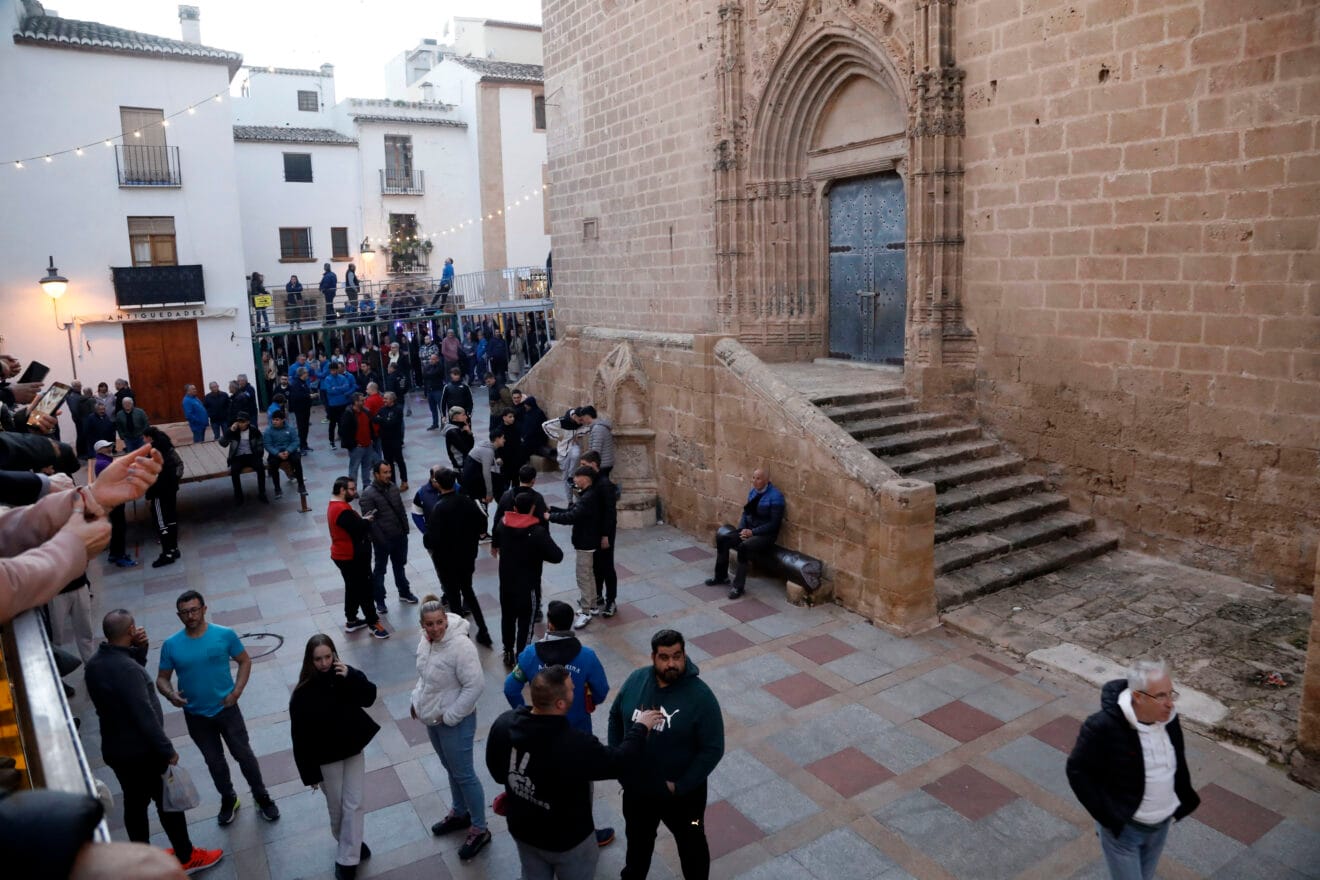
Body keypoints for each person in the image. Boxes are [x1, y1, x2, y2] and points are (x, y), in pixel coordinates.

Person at [85, 609, 224, 874]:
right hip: (143, 752)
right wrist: (166, 749)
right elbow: (143, 713)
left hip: (116, 750)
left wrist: (140, 650)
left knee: (134, 805)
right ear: (130, 630)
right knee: (168, 803)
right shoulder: (127, 670)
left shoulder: (95, 664)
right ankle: (186, 856)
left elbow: (123, 679)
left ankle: (140, 862)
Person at [487, 667, 661, 880]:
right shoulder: (575, 744)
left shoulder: (504, 724)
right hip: (568, 840)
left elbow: (497, 773)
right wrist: (641, 727)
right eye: (571, 688)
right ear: (560, 703)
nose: (576, 689)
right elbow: (618, 761)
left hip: (523, 830)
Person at [1067, 659, 1200, 880]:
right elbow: (1077, 771)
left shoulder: (1169, 720)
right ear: (1138, 696)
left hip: (1160, 826)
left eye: (1171, 693)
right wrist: (1107, 817)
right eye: (1161, 696)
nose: (1170, 704)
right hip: (1125, 833)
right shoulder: (1102, 726)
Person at [156, 590, 281, 825]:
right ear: (179, 616)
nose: (190, 616)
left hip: (227, 710)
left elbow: (244, 660)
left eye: (194, 610)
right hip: (196, 715)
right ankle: (228, 797)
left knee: (244, 754)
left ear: (204, 609)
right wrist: (171, 694)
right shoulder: (171, 645)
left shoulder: (224, 635)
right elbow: (161, 678)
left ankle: (261, 795)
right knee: (214, 761)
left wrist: (237, 691)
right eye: (184, 612)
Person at [608, 629, 724, 880]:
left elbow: (713, 748)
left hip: (684, 798)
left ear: (684, 655)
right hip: (638, 793)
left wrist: (680, 785)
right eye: (664, 657)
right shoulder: (636, 680)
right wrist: (620, 762)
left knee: (693, 842)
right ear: (653, 657)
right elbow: (615, 716)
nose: (671, 663)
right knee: (637, 847)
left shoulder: (701, 696)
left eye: (677, 656)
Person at [289, 634, 380, 880]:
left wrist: (353, 675)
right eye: (318, 658)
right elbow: (300, 737)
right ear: (310, 660)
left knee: (355, 802)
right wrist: (310, 775)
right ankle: (351, 843)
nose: (324, 663)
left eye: (328, 656)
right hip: (326, 758)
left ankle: (347, 859)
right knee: (338, 809)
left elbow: (369, 697)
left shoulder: (345, 677)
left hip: (352, 749)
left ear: (334, 654)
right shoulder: (302, 693)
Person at [410, 595, 492, 862]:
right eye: (429, 624)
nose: (435, 629)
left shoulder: (461, 646)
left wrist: (452, 716)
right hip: (433, 718)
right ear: (422, 625)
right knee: (451, 769)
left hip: (454, 721)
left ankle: (479, 828)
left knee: (464, 773)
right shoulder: (426, 642)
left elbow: (475, 686)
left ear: (446, 620)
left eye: (439, 623)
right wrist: (416, 701)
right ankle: (459, 813)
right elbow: (424, 677)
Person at [423, 469, 493, 647]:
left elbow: (430, 539)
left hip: (446, 561)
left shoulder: (439, 508)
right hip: (467, 557)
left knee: (454, 600)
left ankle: (462, 637)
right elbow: (482, 524)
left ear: (438, 483)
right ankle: (483, 630)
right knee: (468, 592)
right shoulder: (467, 501)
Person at [493, 492, 563, 667]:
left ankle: (507, 651)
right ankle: (522, 657)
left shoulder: (503, 524)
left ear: (514, 508)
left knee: (507, 618)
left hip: (506, 583)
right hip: (528, 585)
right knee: (526, 621)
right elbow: (557, 556)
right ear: (532, 508)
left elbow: (497, 539)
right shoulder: (537, 531)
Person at [705, 467, 785, 599]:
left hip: (765, 536)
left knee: (744, 548)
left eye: (758, 478)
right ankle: (721, 576)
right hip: (749, 531)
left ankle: (738, 587)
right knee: (723, 539)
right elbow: (746, 513)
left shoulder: (776, 497)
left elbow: (774, 524)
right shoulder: (753, 492)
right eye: (753, 478)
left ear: (766, 480)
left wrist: (752, 532)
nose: (755, 481)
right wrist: (742, 530)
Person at [327, 476, 390, 640]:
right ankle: (373, 623)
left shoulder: (336, 506)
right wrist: (366, 521)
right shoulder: (342, 510)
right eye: (352, 489)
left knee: (352, 586)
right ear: (342, 490)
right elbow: (358, 529)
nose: (355, 493)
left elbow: (352, 525)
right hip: (352, 557)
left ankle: (351, 620)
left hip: (343, 555)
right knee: (364, 589)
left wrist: (362, 520)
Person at [548, 467, 604, 629]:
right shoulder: (589, 494)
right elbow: (573, 511)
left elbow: (571, 517)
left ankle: (586, 611)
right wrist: (553, 510)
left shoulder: (587, 498)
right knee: (589, 574)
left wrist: (549, 516)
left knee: (583, 576)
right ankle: (592, 605)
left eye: (577, 477)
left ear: (585, 479)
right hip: (589, 540)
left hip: (585, 542)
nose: (575, 480)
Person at [359, 460, 419, 614]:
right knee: (380, 570)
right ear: (376, 474)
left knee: (400, 565)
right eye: (385, 472)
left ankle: (404, 591)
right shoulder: (367, 494)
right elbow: (370, 523)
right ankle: (379, 600)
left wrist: (405, 529)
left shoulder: (393, 487)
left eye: (390, 472)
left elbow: (400, 510)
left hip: (399, 536)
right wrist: (381, 540)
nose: (388, 475)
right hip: (383, 541)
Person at [581, 450, 619, 617]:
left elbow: (610, 513)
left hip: (605, 533)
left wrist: (605, 535)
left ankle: (611, 600)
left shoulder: (604, 484)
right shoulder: (592, 482)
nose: (581, 469)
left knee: (607, 566)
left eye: (584, 465)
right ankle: (598, 595)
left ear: (594, 465)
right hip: (593, 531)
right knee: (596, 565)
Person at [141, 427, 183, 568]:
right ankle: (174, 549)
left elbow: (150, 476)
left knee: (161, 522)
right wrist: (175, 480)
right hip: (171, 490)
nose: (143, 440)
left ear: (150, 438)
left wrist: (148, 495)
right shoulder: (168, 449)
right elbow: (179, 464)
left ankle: (167, 554)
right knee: (171, 519)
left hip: (159, 492)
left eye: (144, 437)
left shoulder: (151, 454)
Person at [92, 440, 135, 567]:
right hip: (114, 499)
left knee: (117, 527)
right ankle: (119, 556)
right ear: (100, 450)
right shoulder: (103, 463)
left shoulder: (104, 461)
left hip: (113, 497)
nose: (110, 447)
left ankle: (114, 554)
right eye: (106, 446)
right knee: (119, 527)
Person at [218, 412, 267, 504]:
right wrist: (230, 431)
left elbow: (260, 441)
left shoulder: (253, 430)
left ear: (248, 422)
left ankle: (262, 493)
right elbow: (222, 443)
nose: (240, 424)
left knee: (261, 468)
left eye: (243, 421)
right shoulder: (233, 431)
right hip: (238, 456)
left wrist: (259, 454)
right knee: (234, 471)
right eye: (239, 421)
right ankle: (239, 496)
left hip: (251, 455)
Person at [543, 409, 587, 499]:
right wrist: (557, 437)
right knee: (566, 478)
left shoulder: (580, 422)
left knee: (576, 456)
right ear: (574, 416)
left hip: (574, 448)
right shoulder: (562, 421)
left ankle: (579, 499)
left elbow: (588, 427)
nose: (581, 422)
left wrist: (578, 433)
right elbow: (545, 425)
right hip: (563, 452)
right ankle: (570, 501)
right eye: (580, 420)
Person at [262, 410, 306, 499]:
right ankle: (277, 489)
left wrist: (288, 451)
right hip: (276, 453)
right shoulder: (268, 431)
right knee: (273, 464)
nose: (274, 422)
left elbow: (296, 441)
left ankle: (301, 485)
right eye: (273, 420)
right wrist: (277, 453)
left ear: (283, 420)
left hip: (289, 451)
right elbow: (267, 445)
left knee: (297, 460)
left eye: (277, 420)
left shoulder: (290, 428)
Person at [338, 393, 377, 490]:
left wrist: (372, 439)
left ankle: (366, 485)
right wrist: (353, 444)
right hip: (357, 447)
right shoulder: (348, 414)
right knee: (354, 468)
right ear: (355, 402)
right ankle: (352, 488)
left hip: (368, 444)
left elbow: (370, 426)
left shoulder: (366, 411)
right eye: (362, 400)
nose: (364, 402)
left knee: (366, 467)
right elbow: (343, 431)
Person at [461, 428, 504, 511]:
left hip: (470, 479)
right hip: (473, 483)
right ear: (497, 439)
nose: (504, 440)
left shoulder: (486, 445)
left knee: (498, 479)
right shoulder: (488, 451)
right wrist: (489, 493)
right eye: (503, 438)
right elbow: (486, 473)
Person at [374, 390, 408, 490]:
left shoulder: (397, 409)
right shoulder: (382, 409)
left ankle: (404, 481)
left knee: (399, 460)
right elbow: (375, 419)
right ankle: (391, 482)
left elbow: (392, 423)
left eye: (386, 398)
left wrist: (383, 420)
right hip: (385, 440)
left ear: (392, 399)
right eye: (383, 398)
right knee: (388, 462)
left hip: (395, 440)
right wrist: (385, 420)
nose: (384, 400)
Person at [322, 361, 356, 448]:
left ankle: (343, 439)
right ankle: (331, 441)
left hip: (343, 403)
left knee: (343, 423)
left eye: (335, 370)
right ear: (330, 370)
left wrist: (336, 388)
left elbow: (347, 387)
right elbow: (329, 391)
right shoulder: (327, 379)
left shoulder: (342, 377)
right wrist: (340, 389)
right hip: (333, 405)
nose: (334, 372)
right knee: (332, 423)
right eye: (332, 370)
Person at [576, 406, 615, 482]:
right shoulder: (597, 427)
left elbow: (595, 451)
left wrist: (589, 464)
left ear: (587, 416)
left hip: (602, 464)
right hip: (603, 463)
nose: (582, 421)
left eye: (582, 418)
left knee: (601, 486)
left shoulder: (598, 429)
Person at [289, 367, 314, 453]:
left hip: (306, 408)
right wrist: (309, 396)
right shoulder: (296, 384)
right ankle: (301, 446)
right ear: (302, 374)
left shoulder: (304, 382)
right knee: (301, 428)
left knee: (305, 427)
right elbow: (297, 396)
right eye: (306, 373)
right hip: (300, 409)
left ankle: (305, 444)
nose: (307, 374)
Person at [443, 407, 475, 471]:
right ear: (455, 417)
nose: (466, 417)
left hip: (466, 464)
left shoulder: (461, 427)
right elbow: (466, 449)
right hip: (461, 467)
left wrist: (469, 433)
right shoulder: (452, 432)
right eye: (463, 415)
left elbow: (471, 446)